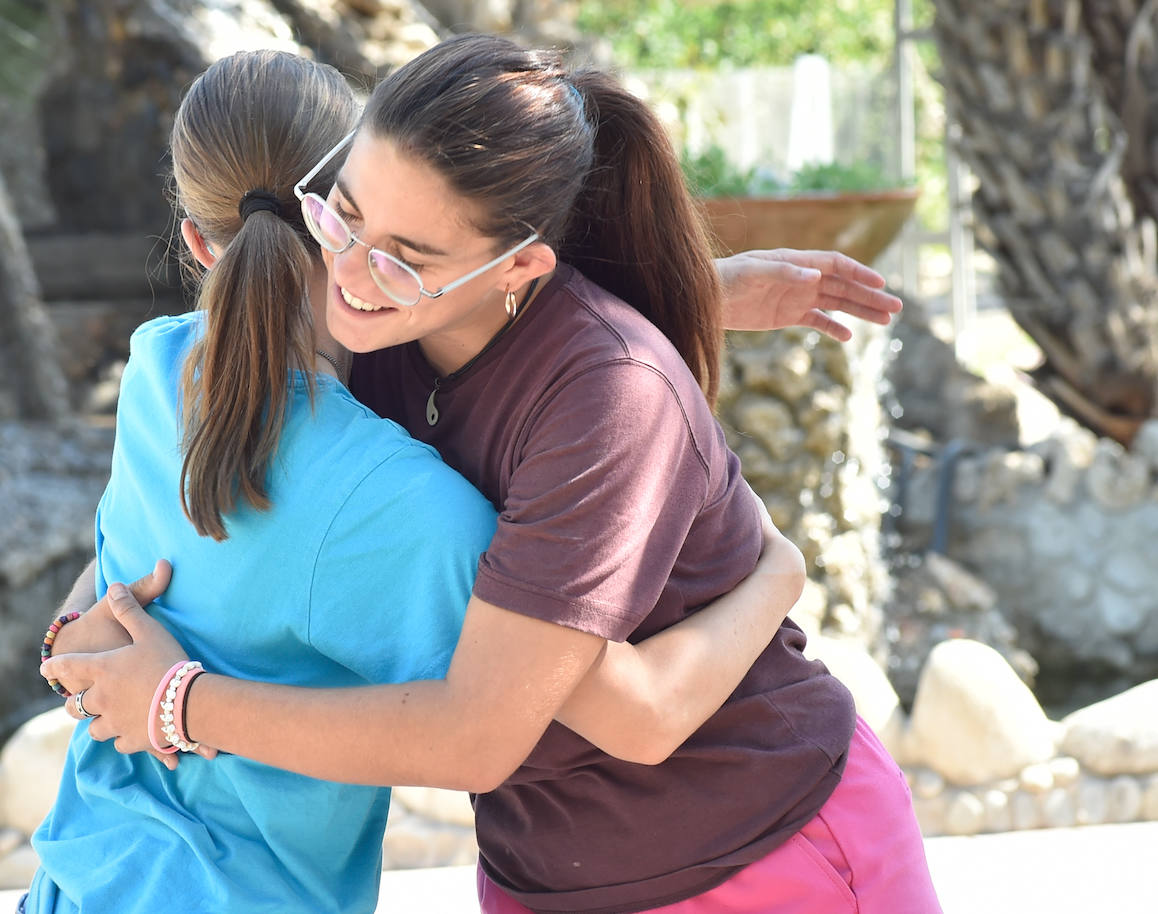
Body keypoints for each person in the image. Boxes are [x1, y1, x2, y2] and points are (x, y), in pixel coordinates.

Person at [45, 33, 940, 914]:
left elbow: (599, 714)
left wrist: (177, 701)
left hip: (757, 854)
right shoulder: (358, 340)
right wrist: (84, 626)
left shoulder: (571, 408)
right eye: (341, 219)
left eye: (401, 257)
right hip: (539, 873)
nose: (349, 273)